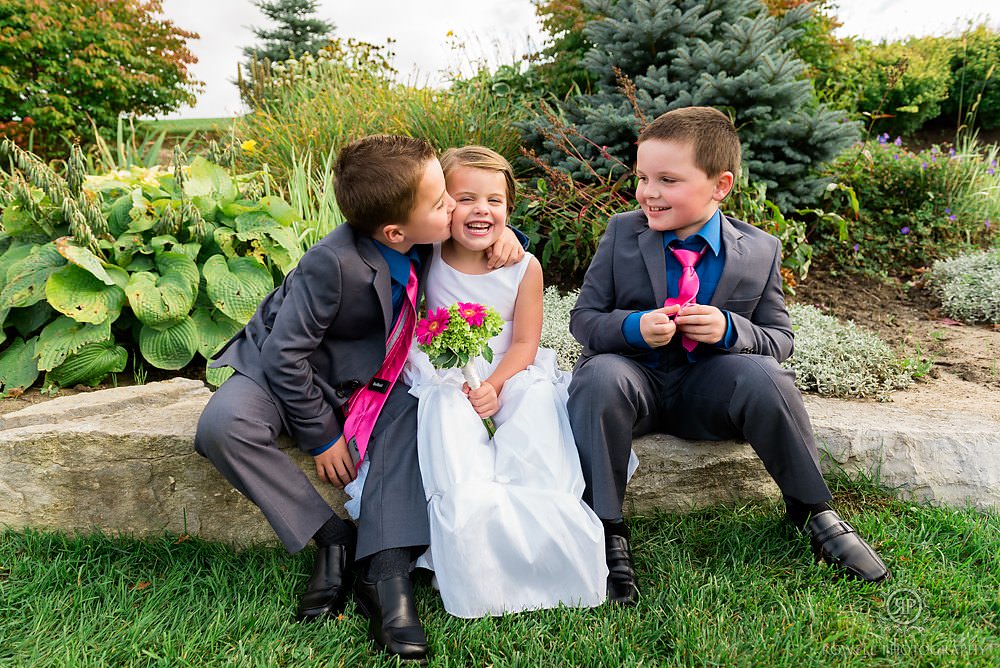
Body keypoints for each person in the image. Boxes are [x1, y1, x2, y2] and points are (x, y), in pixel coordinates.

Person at [194, 135, 524, 663]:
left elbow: (475, 225)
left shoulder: (419, 228)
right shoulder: (334, 262)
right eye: (443, 202)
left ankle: (386, 572)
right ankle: (331, 537)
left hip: (373, 378)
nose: (452, 208)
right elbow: (285, 356)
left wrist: (510, 234)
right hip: (287, 371)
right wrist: (322, 436)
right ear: (397, 231)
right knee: (221, 427)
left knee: (419, 415)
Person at [567, 107, 891, 606]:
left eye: (667, 180)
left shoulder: (760, 249)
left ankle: (814, 511)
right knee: (599, 376)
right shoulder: (621, 234)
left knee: (766, 375)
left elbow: (780, 338)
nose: (648, 193)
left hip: (708, 391)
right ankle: (606, 527)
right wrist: (633, 326)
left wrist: (728, 328)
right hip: (636, 384)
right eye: (642, 178)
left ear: (720, 185)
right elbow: (585, 319)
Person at [396, 145, 607, 618]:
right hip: (446, 371)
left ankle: (550, 565)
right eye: (464, 198)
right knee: (451, 430)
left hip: (513, 372)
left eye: (495, 201)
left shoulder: (521, 266)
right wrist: (468, 386)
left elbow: (525, 343)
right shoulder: (425, 256)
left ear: (510, 209)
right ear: (442, 205)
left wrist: (494, 384)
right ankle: (479, 572)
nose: (481, 210)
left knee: (533, 426)